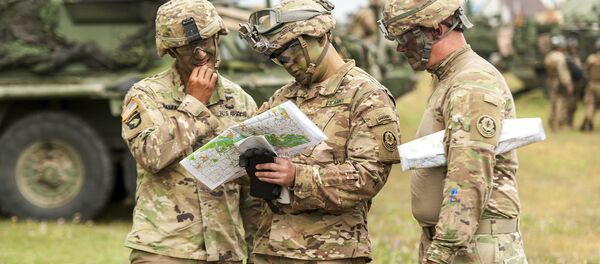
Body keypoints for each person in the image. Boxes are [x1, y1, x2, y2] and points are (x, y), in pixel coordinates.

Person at [238, 0, 401, 262]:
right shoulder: (284, 97)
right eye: (277, 55)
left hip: (329, 252)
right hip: (270, 249)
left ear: (322, 36)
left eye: (291, 49)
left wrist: (297, 176)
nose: (285, 61)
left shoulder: (366, 95)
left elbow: (369, 176)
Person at [379, 0, 527, 263]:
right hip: (462, 244)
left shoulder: (470, 83)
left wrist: (441, 253)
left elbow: (468, 179)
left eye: (406, 37)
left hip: (471, 247)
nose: (400, 47)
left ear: (437, 28)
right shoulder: (449, 77)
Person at [120, 0, 259, 263]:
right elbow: (151, 155)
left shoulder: (240, 100)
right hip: (165, 249)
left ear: (218, 36)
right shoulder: (145, 95)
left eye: (206, 41)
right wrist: (194, 104)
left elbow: (252, 190)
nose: (200, 54)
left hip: (225, 250)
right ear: (171, 50)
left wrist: (256, 253)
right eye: (188, 47)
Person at [544, 35, 574, 131]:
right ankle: (559, 123)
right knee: (560, 102)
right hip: (559, 82)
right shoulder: (560, 57)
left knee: (553, 102)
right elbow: (563, 72)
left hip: (551, 81)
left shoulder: (549, 56)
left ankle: (551, 121)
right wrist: (568, 84)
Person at [580, 39, 600, 131]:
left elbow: (585, 71)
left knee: (590, 104)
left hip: (591, 84)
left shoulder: (591, 58)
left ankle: (588, 123)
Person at [565, 38, 585, 128]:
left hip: (577, 84)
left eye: (575, 48)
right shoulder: (566, 59)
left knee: (574, 106)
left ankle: (570, 122)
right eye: (572, 48)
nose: (574, 49)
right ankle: (566, 123)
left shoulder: (576, 57)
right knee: (569, 105)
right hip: (571, 84)